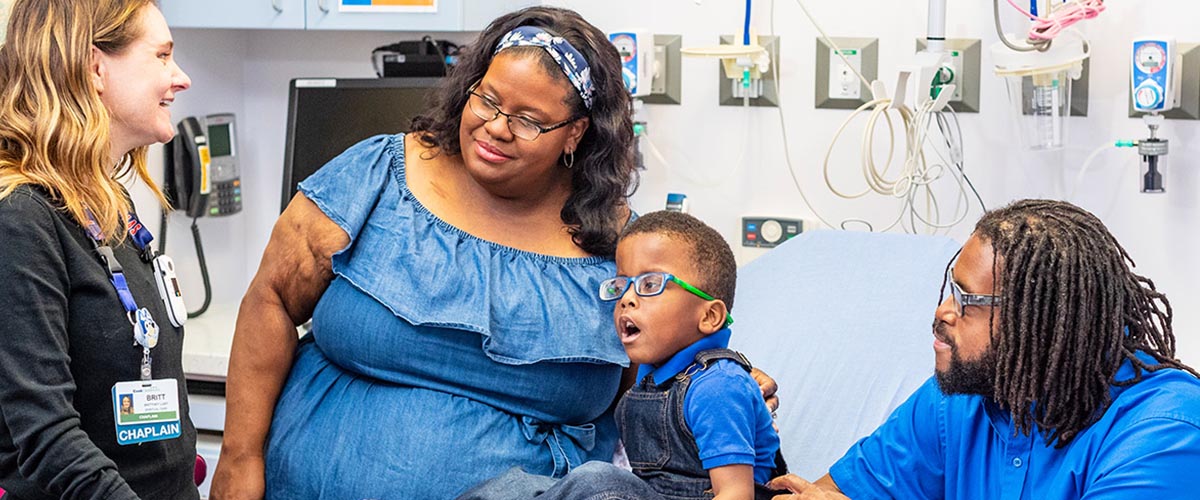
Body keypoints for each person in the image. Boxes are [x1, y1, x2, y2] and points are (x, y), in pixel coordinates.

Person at [208, 7, 778, 500]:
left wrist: (722, 380)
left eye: (528, 120)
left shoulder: (618, 246)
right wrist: (239, 457)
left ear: (575, 132)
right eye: (487, 100)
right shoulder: (379, 175)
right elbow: (271, 300)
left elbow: (661, 366)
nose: (496, 128)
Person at [767, 199, 1200, 499]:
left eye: (966, 300)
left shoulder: (1165, 433)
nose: (943, 311)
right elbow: (832, 493)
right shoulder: (960, 398)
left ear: (1040, 320)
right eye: (950, 289)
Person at [0, 1, 196, 499]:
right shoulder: (21, 219)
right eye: (162, 55)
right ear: (94, 68)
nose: (181, 78)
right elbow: (48, 438)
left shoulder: (109, 203)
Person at [457, 211, 785, 500]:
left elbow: (737, 493)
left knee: (598, 480)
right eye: (621, 285)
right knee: (517, 486)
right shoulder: (649, 383)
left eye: (650, 284)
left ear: (709, 316)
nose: (627, 298)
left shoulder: (718, 386)